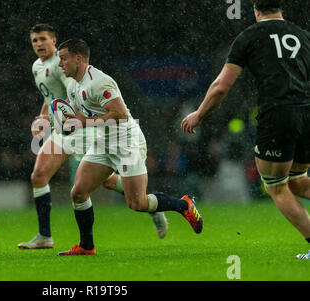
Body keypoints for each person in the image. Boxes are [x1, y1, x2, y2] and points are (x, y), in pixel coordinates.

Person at [18, 24, 169, 249]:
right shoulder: (36, 67)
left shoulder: (62, 66)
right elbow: (50, 97)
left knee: (102, 182)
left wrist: (73, 120)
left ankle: (150, 205)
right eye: (34, 40)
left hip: (80, 127)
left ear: (53, 41)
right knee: (39, 175)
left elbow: (76, 94)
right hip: (62, 128)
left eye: (43, 39)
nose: (39, 44)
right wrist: (42, 116)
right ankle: (45, 236)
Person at [181, 0, 310, 260]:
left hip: (278, 114)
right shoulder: (303, 35)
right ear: (280, 7)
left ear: (255, 10)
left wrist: (199, 114)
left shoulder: (249, 36)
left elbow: (220, 87)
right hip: (307, 111)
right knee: (296, 181)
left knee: (275, 185)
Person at [56, 38, 203, 256]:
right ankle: (87, 246)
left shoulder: (99, 82)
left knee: (137, 203)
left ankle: (183, 205)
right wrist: (70, 127)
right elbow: (84, 118)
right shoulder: (73, 87)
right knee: (78, 192)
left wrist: (82, 122)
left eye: (63, 58)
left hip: (126, 142)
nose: (60, 64)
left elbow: (120, 115)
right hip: (103, 143)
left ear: (78, 58)